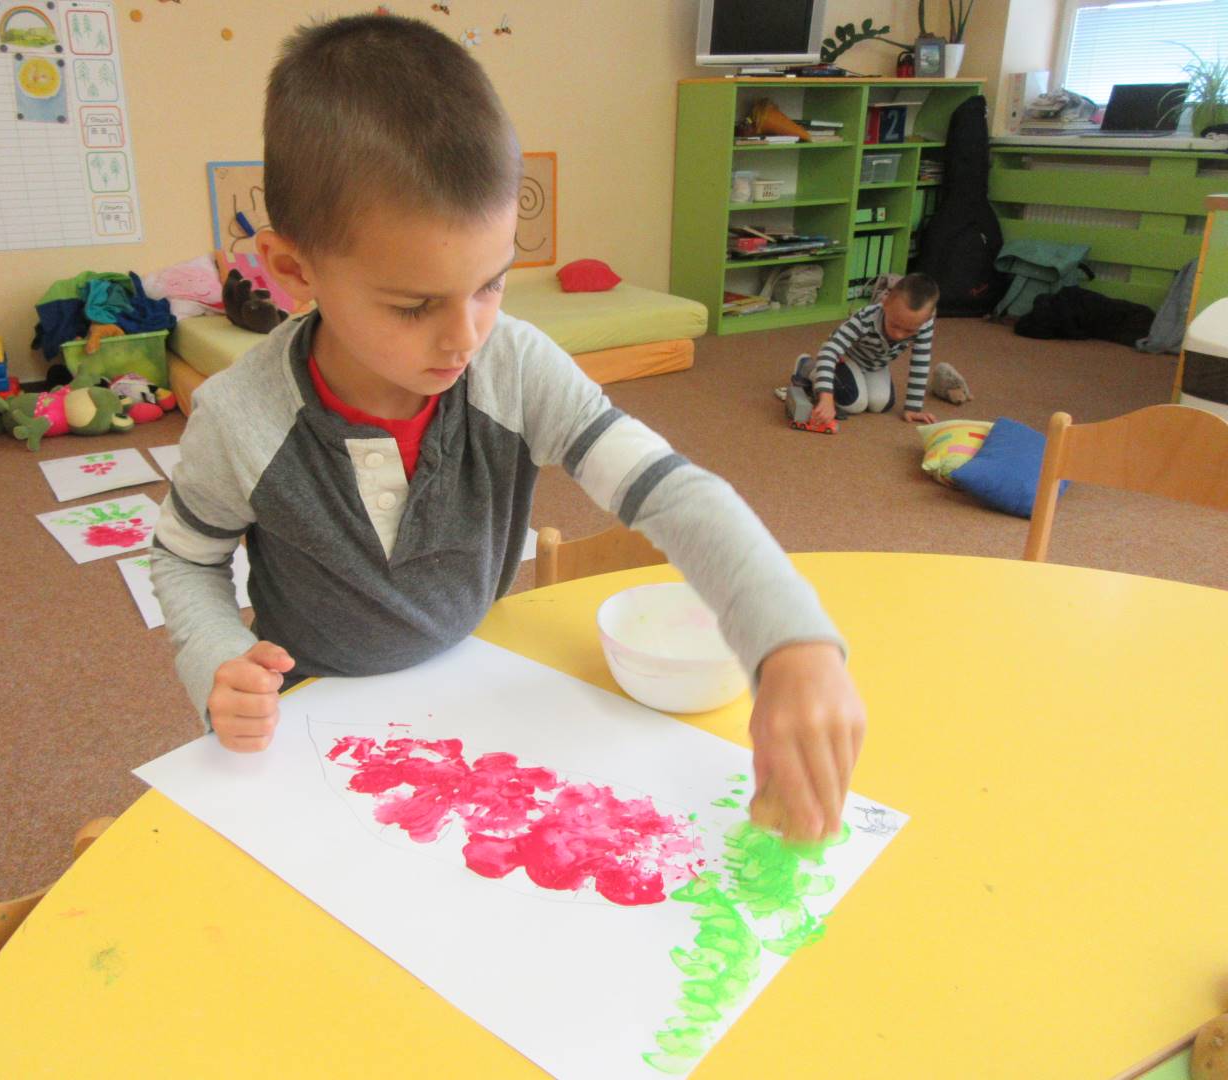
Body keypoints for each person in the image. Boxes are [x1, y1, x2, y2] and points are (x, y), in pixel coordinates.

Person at [151, 14, 864, 842]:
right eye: (414, 305)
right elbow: (184, 557)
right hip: (311, 715)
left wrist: (790, 640)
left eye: (491, 284)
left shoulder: (513, 365)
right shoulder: (240, 418)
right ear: (292, 270)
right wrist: (216, 660)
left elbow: (671, 492)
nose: (465, 338)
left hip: (473, 683)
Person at [795, 274, 941, 428]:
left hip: (875, 366)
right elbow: (829, 351)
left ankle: (854, 381)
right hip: (845, 360)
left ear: (928, 318)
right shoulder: (865, 318)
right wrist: (826, 397)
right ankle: (808, 367)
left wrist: (913, 408)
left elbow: (920, 363)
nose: (899, 335)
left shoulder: (924, 324)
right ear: (885, 302)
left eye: (909, 331)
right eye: (895, 325)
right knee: (854, 403)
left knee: (880, 404)